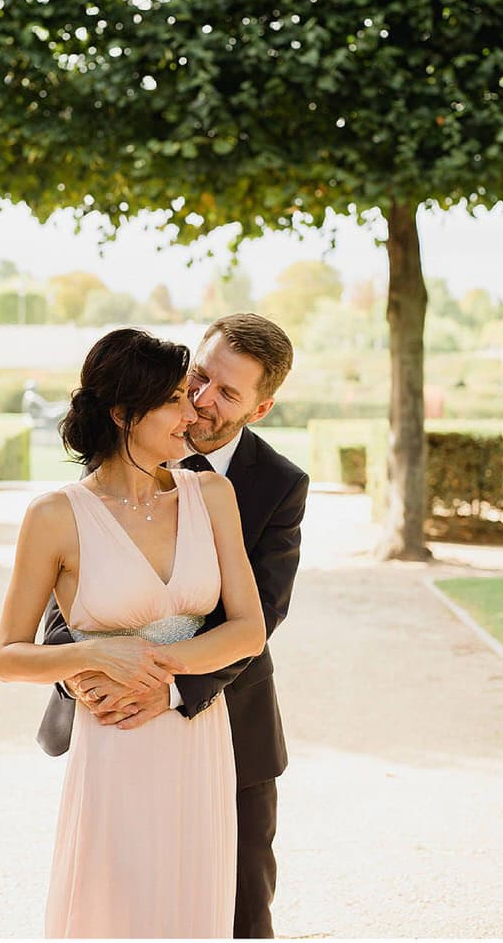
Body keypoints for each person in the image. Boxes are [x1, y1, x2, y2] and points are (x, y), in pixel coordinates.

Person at [36, 313, 309, 938]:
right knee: (116, 899)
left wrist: (173, 689)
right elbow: (71, 589)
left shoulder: (279, 484)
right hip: (112, 719)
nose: (202, 400)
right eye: (200, 377)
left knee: (239, 911)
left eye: (228, 393)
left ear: (260, 409)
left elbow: (260, 616)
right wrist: (84, 673)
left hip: (228, 722)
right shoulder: (129, 447)